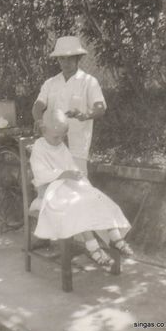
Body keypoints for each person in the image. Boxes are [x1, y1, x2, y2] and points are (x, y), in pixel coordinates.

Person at [30, 110, 133, 270]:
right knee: (78, 205)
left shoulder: (61, 146)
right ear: (44, 131)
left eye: (62, 137)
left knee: (95, 197)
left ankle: (115, 237)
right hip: (50, 190)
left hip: (67, 185)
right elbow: (40, 172)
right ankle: (92, 247)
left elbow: (69, 165)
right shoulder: (39, 147)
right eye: (55, 137)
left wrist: (75, 173)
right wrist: (63, 173)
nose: (59, 140)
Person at [32, 36, 106, 175]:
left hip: (77, 145)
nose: (66, 62)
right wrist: (39, 120)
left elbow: (100, 108)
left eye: (70, 58)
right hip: (52, 143)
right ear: (58, 59)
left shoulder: (88, 82)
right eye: (62, 58)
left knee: (78, 184)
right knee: (53, 184)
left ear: (78, 58)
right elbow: (38, 105)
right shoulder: (50, 83)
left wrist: (85, 115)